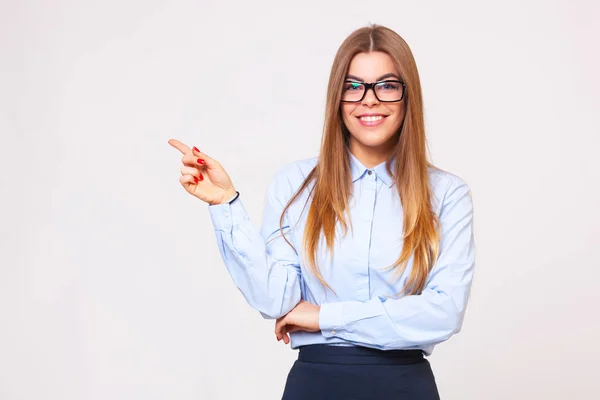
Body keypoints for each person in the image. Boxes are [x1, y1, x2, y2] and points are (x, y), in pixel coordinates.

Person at [169, 24, 475, 400]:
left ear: (407, 96)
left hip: (404, 387)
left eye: (387, 85)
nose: (370, 100)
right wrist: (225, 204)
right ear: (337, 97)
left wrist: (324, 317)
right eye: (353, 86)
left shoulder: (446, 194)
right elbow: (276, 300)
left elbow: (443, 314)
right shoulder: (296, 184)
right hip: (316, 386)